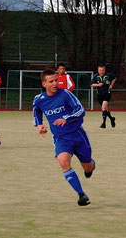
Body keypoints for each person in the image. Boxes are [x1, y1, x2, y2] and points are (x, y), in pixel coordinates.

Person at [33, 68, 95, 206]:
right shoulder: (39, 100)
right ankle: (81, 195)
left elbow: (80, 110)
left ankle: (90, 167)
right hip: (60, 138)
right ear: (44, 84)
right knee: (63, 163)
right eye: (51, 81)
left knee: (87, 166)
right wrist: (39, 126)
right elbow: (36, 112)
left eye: (56, 80)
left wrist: (66, 118)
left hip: (77, 135)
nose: (55, 83)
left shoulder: (66, 94)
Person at [90, 64, 116, 128]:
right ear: (98, 70)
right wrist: (98, 85)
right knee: (105, 109)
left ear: (104, 70)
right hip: (99, 95)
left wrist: (111, 85)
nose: (102, 71)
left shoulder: (108, 75)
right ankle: (111, 118)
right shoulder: (96, 76)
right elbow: (91, 84)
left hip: (107, 94)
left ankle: (103, 124)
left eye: (103, 70)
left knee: (103, 107)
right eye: (100, 70)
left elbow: (114, 78)